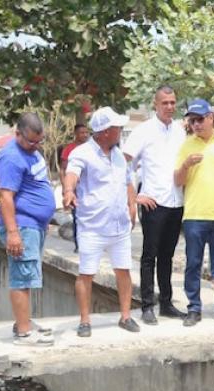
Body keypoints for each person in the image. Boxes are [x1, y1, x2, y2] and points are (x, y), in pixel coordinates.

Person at [61, 107, 140, 337]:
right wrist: (68, 191)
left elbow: (127, 181)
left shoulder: (117, 154)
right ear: (105, 131)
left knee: (123, 271)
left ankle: (125, 317)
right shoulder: (82, 153)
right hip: (92, 226)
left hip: (119, 226)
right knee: (86, 273)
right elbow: (72, 174)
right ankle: (85, 321)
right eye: (117, 128)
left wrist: (132, 204)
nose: (120, 131)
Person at [124, 84, 187, 325]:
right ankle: (147, 305)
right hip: (153, 202)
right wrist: (135, 196)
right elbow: (124, 162)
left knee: (168, 256)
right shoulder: (143, 131)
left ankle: (167, 303)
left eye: (173, 103)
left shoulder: (181, 131)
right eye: (165, 103)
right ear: (155, 103)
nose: (169, 107)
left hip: (176, 202)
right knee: (149, 255)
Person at [175, 99, 214, 326]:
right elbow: (177, 180)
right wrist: (185, 165)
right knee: (193, 263)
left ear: (211, 117)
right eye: (192, 121)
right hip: (194, 215)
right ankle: (194, 308)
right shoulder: (186, 145)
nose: (196, 124)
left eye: (200, 119)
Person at [0, 112, 55, 346]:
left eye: (39, 141)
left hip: (34, 225)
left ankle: (24, 321)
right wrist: (12, 233)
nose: (35, 145)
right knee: (22, 275)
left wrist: (43, 218)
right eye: (30, 141)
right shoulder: (11, 158)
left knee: (29, 275)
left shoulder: (32, 152)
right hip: (21, 224)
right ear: (17, 133)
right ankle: (23, 332)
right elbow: (6, 197)